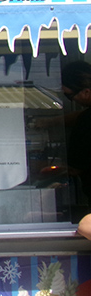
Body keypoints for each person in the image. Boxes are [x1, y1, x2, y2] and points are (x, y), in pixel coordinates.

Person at [62, 61, 91, 213]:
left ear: (86, 92)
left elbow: (75, 167)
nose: (71, 100)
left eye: (69, 95)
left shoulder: (86, 121)